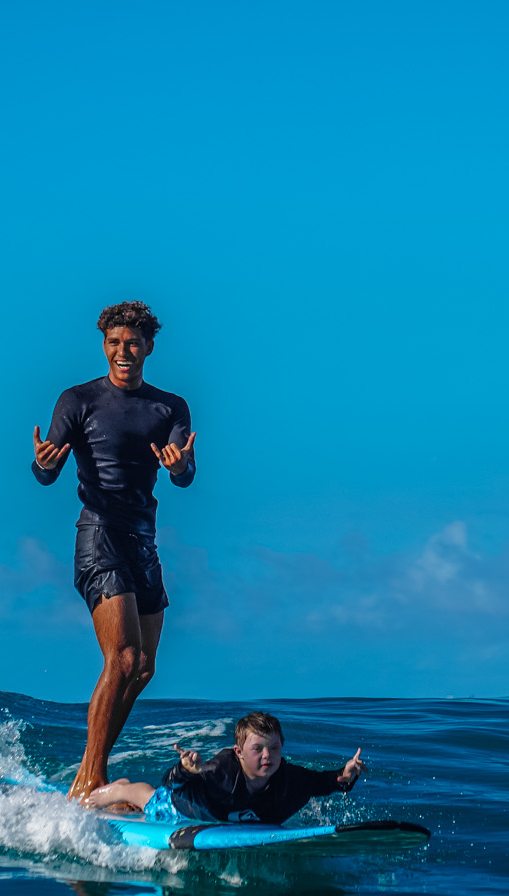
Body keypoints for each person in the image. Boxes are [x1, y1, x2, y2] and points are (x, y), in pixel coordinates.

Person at [32, 300, 197, 799]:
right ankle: (90, 777)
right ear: (104, 345)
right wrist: (44, 464)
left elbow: (185, 475)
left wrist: (180, 467)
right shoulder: (77, 400)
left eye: (131, 344)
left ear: (148, 346)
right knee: (122, 658)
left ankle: (91, 770)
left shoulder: (169, 407)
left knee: (144, 666)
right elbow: (46, 471)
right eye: (113, 344)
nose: (122, 352)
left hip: (142, 541)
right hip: (99, 534)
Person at [86, 711, 366, 825]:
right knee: (148, 798)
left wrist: (346, 775)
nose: (267, 756)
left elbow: (325, 782)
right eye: (257, 749)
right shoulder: (220, 770)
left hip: (222, 818)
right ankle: (105, 793)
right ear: (239, 752)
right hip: (183, 810)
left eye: (275, 748)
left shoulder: (289, 777)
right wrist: (185, 769)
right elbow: (171, 784)